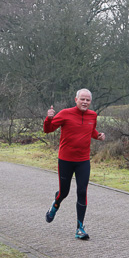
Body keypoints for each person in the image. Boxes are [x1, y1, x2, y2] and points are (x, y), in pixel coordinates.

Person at [43, 88, 106, 240]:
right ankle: (55, 204)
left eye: (88, 100)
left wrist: (98, 136)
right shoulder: (65, 113)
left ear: (90, 102)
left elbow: (90, 130)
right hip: (65, 160)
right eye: (82, 99)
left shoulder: (93, 115)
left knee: (82, 192)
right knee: (64, 192)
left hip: (83, 160)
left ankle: (80, 228)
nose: (85, 102)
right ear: (75, 100)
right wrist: (48, 118)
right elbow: (48, 130)